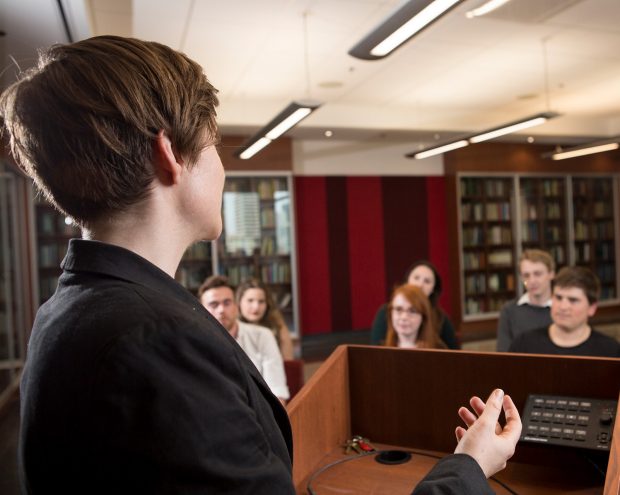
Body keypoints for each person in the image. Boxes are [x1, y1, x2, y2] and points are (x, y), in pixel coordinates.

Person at [0, 35, 521, 494]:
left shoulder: (71, 308)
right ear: (169, 156)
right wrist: (469, 467)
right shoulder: (155, 340)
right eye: (214, 146)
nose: (223, 169)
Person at [199, 275, 290, 402]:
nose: (221, 310)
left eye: (227, 303)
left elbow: (276, 389)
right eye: (213, 304)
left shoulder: (263, 335)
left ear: (236, 306)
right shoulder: (195, 342)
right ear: (201, 310)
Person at [509, 266, 620, 357]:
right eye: (558, 297)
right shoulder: (524, 345)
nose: (563, 306)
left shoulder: (610, 351)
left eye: (573, 300)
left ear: (592, 308)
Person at [371, 260, 459, 349]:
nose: (420, 284)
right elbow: (375, 349)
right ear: (407, 280)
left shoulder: (440, 317)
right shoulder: (385, 312)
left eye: (427, 281)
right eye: (416, 278)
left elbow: (455, 353)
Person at [497, 249, 555, 351]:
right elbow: (503, 353)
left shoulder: (562, 310)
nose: (532, 281)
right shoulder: (509, 311)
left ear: (551, 274)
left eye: (537, 274)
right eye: (526, 275)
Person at [237, 278, 295, 360]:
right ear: (239, 302)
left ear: (267, 304)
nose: (256, 307)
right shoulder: (233, 328)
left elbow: (288, 363)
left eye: (261, 301)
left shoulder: (277, 325)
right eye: (250, 300)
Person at [385, 284, 446, 349]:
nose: (404, 317)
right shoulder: (381, 350)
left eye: (412, 311)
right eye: (398, 309)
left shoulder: (440, 351)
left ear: (423, 317)